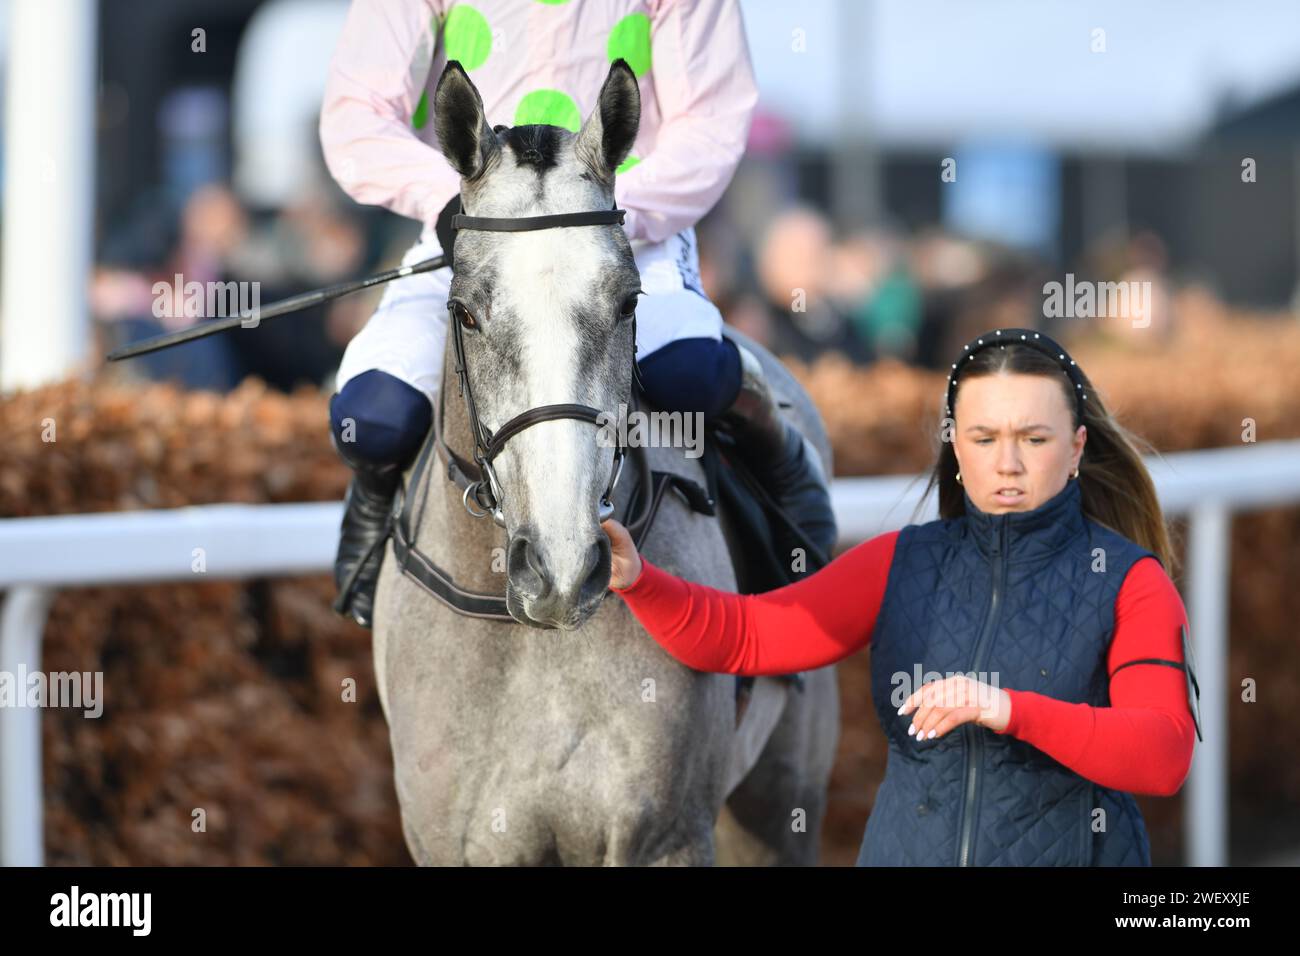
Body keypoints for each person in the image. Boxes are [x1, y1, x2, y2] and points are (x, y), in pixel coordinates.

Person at [318, 0, 835, 628]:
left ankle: (779, 461)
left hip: (622, 227)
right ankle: (372, 511)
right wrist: (461, 200)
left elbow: (712, 122)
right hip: (476, 228)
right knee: (373, 416)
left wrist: (597, 209)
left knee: (690, 373)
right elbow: (356, 116)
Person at [603, 327, 1202, 866]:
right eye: (985, 437)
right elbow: (746, 636)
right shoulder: (901, 562)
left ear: (1075, 450)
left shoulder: (1132, 581)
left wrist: (1009, 711)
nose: (1009, 463)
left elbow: (1162, 754)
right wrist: (640, 580)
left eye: (1035, 438)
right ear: (957, 451)